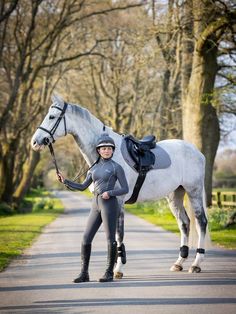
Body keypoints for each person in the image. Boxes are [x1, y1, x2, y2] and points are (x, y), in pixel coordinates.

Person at [57, 133, 129, 283]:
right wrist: (66, 181)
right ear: (98, 150)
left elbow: (125, 189)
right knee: (86, 238)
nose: (106, 151)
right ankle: (84, 273)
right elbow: (83, 186)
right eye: (103, 148)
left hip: (109, 204)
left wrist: (110, 192)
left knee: (110, 239)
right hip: (95, 204)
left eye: (109, 148)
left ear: (112, 150)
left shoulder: (117, 167)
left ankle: (109, 272)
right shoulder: (94, 168)